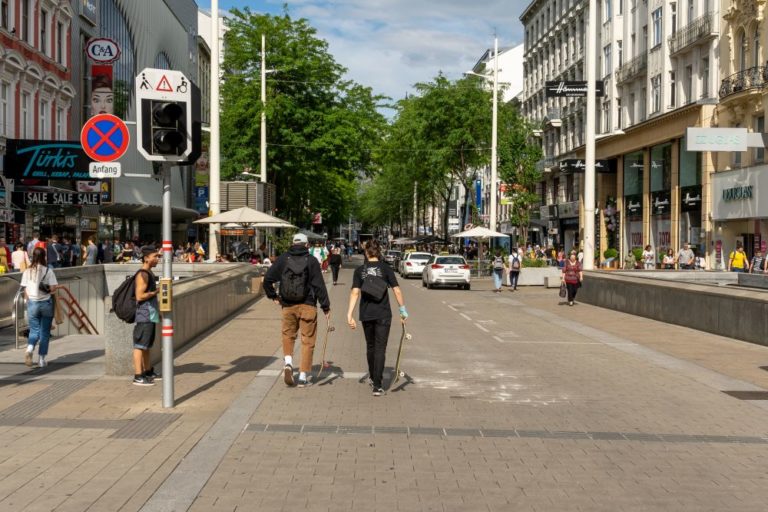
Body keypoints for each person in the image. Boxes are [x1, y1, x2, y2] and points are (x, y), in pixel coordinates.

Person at [263, 233, 331, 388]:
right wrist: (326, 306)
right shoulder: (312, 261)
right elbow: (319, 286)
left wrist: (273, 296)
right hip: (308, 305)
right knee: (308, 341)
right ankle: (302, 377)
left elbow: (268, 279)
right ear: (307, 245)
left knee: (288, 335)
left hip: (287, 305)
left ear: (292, 243)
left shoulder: (283, 259)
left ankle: (288, 362)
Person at [346, 239, 408, 396]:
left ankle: (373, 377)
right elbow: (397, 290)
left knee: (371, 346)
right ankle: (378, 386)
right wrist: (402, 311)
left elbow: (355, 292)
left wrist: (349, 314)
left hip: (366, 314)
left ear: (366, 252)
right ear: (379, 252)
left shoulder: (359, 271)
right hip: (383, 314)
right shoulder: (386, 269)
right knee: (381, 348)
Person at [21, 247, 61, 368]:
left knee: (34, 330)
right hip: (46, 304)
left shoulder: (27, 271)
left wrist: (26, 301)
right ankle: (41, 360)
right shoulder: (48, 271)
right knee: (44, 332)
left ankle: (29, 348)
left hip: (32, 303)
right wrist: (48, 289)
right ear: (44, 257)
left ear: (33, 256)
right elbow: (53, 288)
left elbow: (24, 289)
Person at [132, 246, 162, 386]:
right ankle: (138, 376)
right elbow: (140, 295)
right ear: (146, 258)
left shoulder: (148, 273)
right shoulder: (143, 274)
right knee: (139, 345)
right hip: (144, 315)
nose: (157, 259)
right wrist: (156, 292)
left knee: (146, 345)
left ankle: (148, 371)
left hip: (150, 315)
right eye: (155, 256)